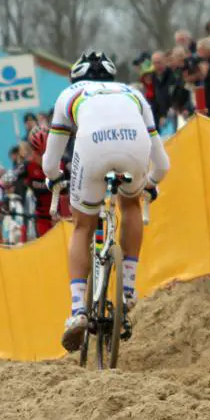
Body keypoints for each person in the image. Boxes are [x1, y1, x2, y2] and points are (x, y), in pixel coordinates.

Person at [45, 50, 171, 353]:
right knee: (130, 204)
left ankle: (77, 311)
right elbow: (163, 164)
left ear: (76, 76)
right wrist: (150, 186)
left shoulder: (69, 95)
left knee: (82, 226)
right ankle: (128, 289)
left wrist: (55, 180)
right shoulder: (134, 94)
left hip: (92, 148)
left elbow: (50, 162)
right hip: (134, 146)